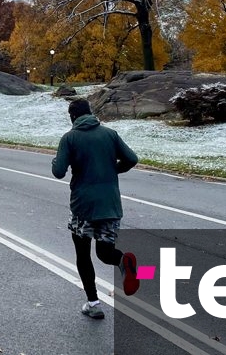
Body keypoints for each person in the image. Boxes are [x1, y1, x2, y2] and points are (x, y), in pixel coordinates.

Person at [51, 98, 140, 320]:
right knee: (105, 252)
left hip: (83, 206)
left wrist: (57, 159)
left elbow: (59, 171)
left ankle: (93, 304)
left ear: (72, 116)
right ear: (90, 113)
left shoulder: (69, 138)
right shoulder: (110, 134)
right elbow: (132, 158)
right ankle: (123, 261)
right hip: (110, 204)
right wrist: (113, 170)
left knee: (83, 255)